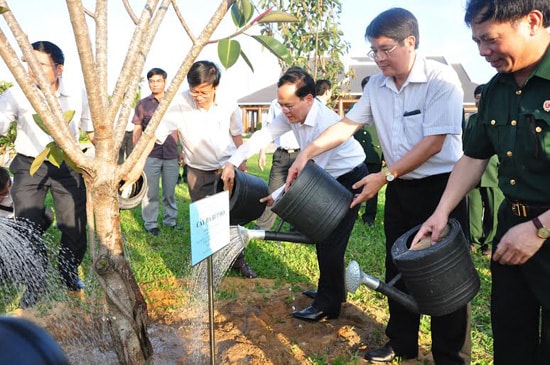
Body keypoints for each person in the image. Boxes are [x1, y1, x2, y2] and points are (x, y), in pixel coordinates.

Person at [286, 8, 470, 363]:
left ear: (410, 42)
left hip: (442, 189)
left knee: (445, 272)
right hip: (402, 190)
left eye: (385, 49)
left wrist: (385, 176)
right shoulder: (378, 87)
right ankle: (402, 343)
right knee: (397, 267)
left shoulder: (440, 79)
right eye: (374, 50)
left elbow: (434, 142)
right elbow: (347, 124)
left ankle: (450, 355)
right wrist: (307, 151)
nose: (379, 58)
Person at [414, 1, 550, 364]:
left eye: (491, 40)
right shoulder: (494, 91)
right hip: (511, 230)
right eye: (476, 42)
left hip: (540, 227)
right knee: (511, 338)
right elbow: (474, 157)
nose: (483, 52)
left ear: (532, 21)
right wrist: (441, 213)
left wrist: (538, 229)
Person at [221, 66, 367, 321]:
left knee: (329, 240)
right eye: (281, 105)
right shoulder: (290, 115)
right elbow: (262, 136)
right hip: (326, 175)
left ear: (309, 98)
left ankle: (327, 304)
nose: (284, 111)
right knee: (326, 240)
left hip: (350, 178)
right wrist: (232, 162)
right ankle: (332, 292)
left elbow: (310, 180)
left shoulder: (326, 124)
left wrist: (279, 194)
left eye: (289, 105)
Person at [0, 41, 93, 295]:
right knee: (27, 224)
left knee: (74, 224)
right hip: (30, 165)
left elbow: (91, 129)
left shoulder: (76, 92)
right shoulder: (18, 93)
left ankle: (69, 272)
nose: (32, 70)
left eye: (40, 64)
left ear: (59, 69)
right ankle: (33, 282)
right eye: (29, 64)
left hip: (67, 163)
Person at [156, 60, 257, 278]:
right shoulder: (179, 103)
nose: (199, 98)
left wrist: (243, 165)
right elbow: (158, 135)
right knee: (204, 219)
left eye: (204, 92)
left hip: (226, 168)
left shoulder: (229, 102)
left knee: (231, 216)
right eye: (194, 92)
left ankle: (238, 261)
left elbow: (237, 135)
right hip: (197, 170)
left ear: (215, 87)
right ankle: (207, 268)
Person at [132, 68, 182, 236]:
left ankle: (170, 221)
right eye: (152, 81)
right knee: (150, 192)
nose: (155, 84)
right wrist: (137, 152)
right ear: (148, 83)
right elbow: (137, 129)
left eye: (158, 81)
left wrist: (182, 150)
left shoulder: (174, 102)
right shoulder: (143, 104)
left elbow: (180, 127)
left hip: (170, 153)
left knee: (169, 191)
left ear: (165, 81)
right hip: (150, 154)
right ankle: (150, 223)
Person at [465, 84, 504, 256]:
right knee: (473, 207)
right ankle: (474, 240)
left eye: (482, 98)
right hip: (471, 171)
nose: (478, 101)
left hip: (492, 170)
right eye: (476, 98)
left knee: (493, 208)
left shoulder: (500, 116)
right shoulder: (472, 120)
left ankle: (489, 243)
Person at [255, 98, 301, 231]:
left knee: (299, 191)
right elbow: (267, 129)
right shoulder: (275, 103)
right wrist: (262, 151)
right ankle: (262, 227)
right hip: (281, 154)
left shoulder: (301, 101)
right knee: (273, 190)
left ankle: (297, 228)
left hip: (300, 153)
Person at [353, 76, 383, 227]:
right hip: (357, 154)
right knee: (355, 184)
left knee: (373, 187)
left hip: (374, 154)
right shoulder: (356, 106)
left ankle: (369, 217)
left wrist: (384, 156)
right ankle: (352, 212)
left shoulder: (383, 107)